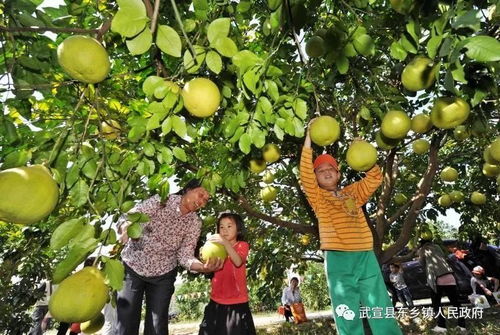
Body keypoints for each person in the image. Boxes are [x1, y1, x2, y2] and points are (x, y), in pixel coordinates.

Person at [299, 122, 402, 335]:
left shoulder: (352, 193)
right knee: (346, 308)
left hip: (364, 254)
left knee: (379, 304)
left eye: (331, 169)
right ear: (316, 178)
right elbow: (305, 175)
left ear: (338, 174)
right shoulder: (318, 197)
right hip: (338, 257)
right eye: (320, 170)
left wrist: (361, 149)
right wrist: (309, 136)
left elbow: (374, 178)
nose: (326, 172)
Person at [116, 180, 223, 335]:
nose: (202, 202)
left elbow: (185, 255)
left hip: (163, 274)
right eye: (201, 195)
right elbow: (131, 216)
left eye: (206, 200)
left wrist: (202, 267)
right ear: (187, 189)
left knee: (157, 327)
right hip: (133, 266)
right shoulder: (161, 201)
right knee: (126, 323)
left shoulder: (194, 222)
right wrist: (125, 226)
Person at [198, 213, 256, 335]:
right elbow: (209, 266)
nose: (225, 230)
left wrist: (225, 243)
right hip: (215, 302)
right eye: (221, 227)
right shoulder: (215, 247)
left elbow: (238, 261)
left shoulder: (242, 245)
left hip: (236, 304)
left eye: (229, 226)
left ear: (238, 229)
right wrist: (204, 257)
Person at [418, 239, 466, 333]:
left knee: (436, 303)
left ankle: (441, 325)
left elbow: (421, 263)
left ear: (421, 244)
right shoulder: (437, 247)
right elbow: (443, 257)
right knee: (456, 303)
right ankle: (462, 325)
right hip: (449, 276)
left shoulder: (422, 250)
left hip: (437, 278)